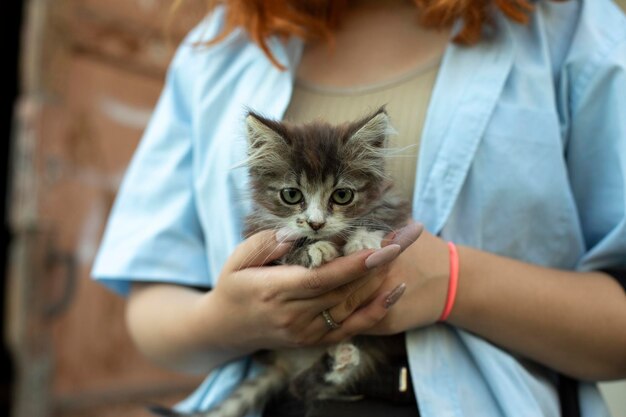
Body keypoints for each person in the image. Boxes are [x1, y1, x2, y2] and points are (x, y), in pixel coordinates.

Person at [92, 0, 626, 416]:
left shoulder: (569, 23)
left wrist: (452, 282)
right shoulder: (220, 48)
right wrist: (231, 321)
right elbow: (151, 309)